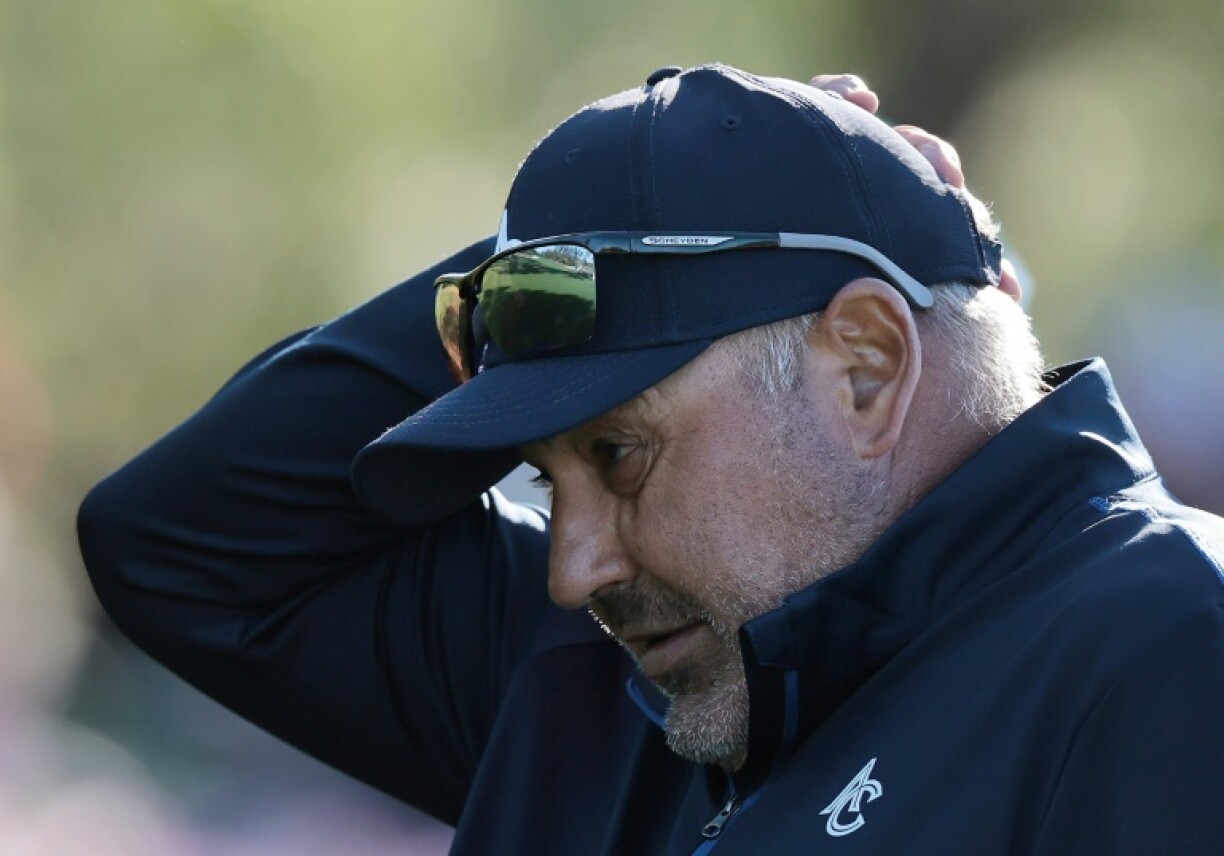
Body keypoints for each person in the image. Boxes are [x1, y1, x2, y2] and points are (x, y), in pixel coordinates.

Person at [77, 64, 1224, 854]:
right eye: (546, 472)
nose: (575, 565)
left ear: (867, 366)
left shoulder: (1171, 645)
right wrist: (602, 234)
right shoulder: (623, 679)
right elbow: (185, 546)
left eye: (618, 455)